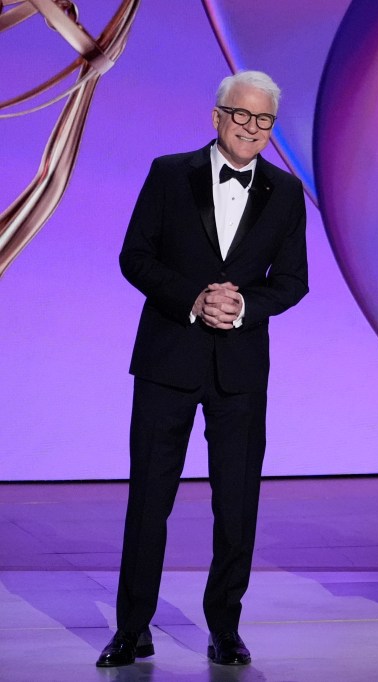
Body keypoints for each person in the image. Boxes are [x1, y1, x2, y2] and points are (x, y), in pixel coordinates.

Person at [97, 70, 308, 667]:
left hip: (239, 369)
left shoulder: (287, 194)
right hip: (168, 359)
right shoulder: (170, 174)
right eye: (241, 116)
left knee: (236, 503)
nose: (251, 128)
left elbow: (293, 282)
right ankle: (132, 628)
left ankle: (225, 628)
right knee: (149, 500)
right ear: (217, 117)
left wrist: (242, 306)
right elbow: (134, 256)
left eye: (263, 120)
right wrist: (192, 298)